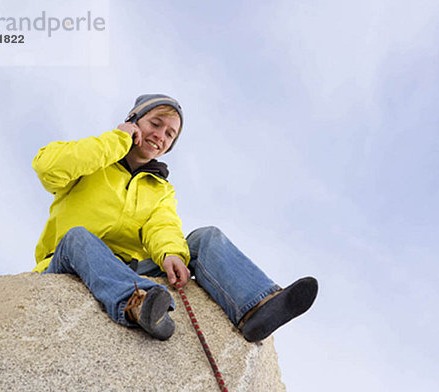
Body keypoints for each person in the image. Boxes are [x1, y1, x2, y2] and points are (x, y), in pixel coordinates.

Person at [32, 94, 318, 342]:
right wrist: (117, 141)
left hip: (130, 268)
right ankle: (137, 303)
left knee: (203, 237)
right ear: (134, 121)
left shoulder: (159, 188)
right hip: (69, 260)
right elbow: (49, 167)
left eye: (169, 134)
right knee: (78, 237)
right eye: (155, 124)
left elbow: (162, 226)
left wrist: (171, 253)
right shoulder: (95, 160)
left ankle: (257, 307)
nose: (160, 136)